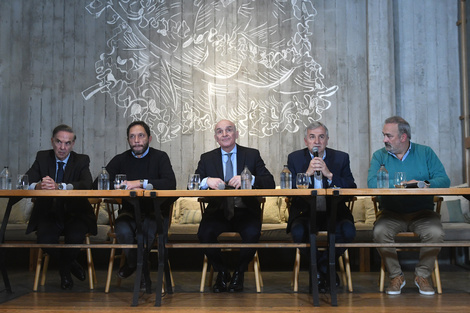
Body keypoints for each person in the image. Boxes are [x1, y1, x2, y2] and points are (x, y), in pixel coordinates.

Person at [367, 116, 450, 295]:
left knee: (435, 233)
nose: (384, 140)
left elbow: (444, 180)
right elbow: (372, 183)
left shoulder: (425, 152)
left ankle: (422, 275)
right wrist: (402, 187)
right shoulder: (379, 155)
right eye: (384, 135)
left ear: (403, 137)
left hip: (423, 213)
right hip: (390, 213)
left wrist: (422, 184)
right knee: (379, 232)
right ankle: (396, 276)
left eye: (389, 136)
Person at [195, 119, 275, 293]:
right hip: (218, 211)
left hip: (245, 210)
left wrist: (249, 178)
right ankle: (222, 272)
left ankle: (239, 273)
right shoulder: (207, 158)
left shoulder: (252, 155)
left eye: (228, 130)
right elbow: (191, 184)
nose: (224, 134)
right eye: (220, 131)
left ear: (236, 133)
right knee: (203, 233)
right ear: (216, 137)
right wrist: (206, 181)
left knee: (253, 233)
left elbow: (269, 182)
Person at [96, 121, 176, 289]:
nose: (137, 140)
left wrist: (140, 183)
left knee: (147, 232)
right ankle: (138, 266)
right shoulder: (120, 159)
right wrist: (116, 186)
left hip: (155, 212)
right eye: (132, 136)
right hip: (130, 212)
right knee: (123, 230)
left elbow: (170, 183)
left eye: (141, 135)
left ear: (150, 138)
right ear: (128, 140)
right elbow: (98, 183)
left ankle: (134, 266)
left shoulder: (160, 157)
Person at [286, 121, 357, 292]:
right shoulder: (294, 158)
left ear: (327, 140)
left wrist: (330, 175)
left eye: (321, 137)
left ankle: (321, 269)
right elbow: (289, 191)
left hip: (335, 212)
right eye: (312, 137)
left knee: (348, 231)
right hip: (305, 212)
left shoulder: (341, 158)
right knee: (298, 232)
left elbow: (351, 187)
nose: (316, 141)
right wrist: (306, 174)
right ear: (306, 141)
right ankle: (325, 272)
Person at [25, 124, 96, 290]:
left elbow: (86, 185)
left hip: (76, 213)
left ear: (72, 144)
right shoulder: (42, 157)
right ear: (52, 141)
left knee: (76, 236)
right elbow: (27, 181)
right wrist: (39, 186)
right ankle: (71, 265)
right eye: (59, 142)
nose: (62, 147)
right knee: (44, 239)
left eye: (67, 143)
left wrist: (61, 187)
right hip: (48, 212)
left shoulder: (81, 160)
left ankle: (64, 271)